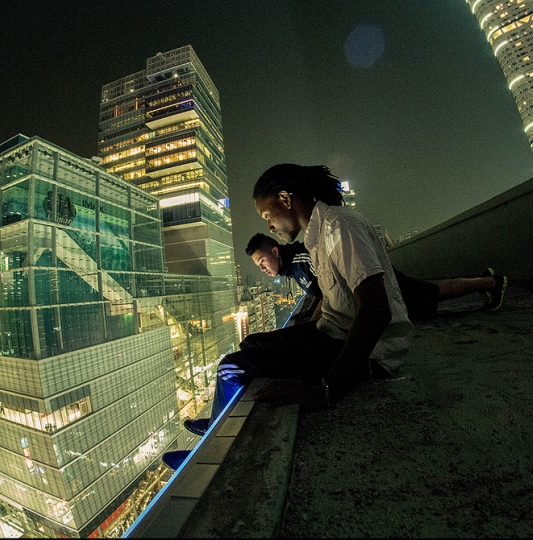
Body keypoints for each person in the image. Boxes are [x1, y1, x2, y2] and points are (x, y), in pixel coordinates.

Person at [162, 163, 415, 471]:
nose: (270, 226)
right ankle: (219, 422)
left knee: (230, 368)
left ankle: (213, 453)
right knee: (251, 345)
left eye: (267, 215)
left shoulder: (339, 226)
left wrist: (325, 390)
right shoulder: (318, 236)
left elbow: (376, 309)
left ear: (285, 199)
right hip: (333, 332)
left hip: (374, 352)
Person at [245, 233, 508, 322]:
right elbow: (319, 292)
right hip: (369, 291)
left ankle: (492, 282)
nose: (262, 268)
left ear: (274, 251)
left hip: (374, 284)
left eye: (262, 261)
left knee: (435, 293)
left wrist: (312, 326)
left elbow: (328, 291)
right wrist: (308, 314)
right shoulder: (291, 268)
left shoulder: (301, 259)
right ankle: (487, 281)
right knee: (430, 297)